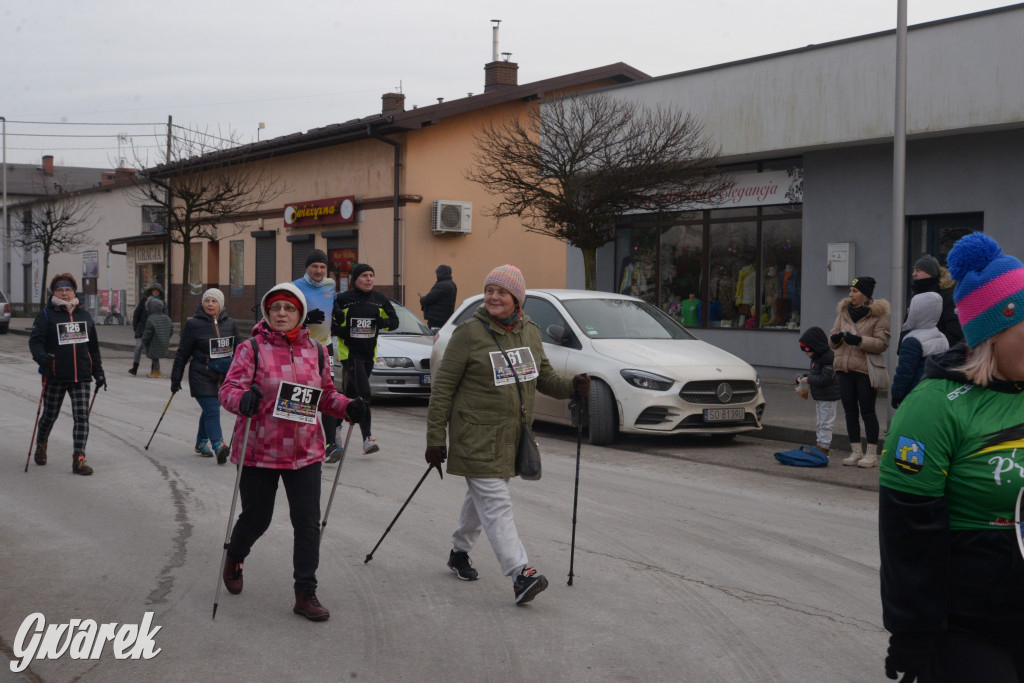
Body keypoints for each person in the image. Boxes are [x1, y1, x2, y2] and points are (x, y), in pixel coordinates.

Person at [879, 232, 1024, 681]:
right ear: (994, 331)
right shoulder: (935, 404)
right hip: (966, 625)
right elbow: (907, 534)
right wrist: (912, 634)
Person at [424, 264, 591, 605]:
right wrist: (435, 439)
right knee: (496, 502)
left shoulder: (529, 330)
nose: (494, 297)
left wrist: (572, 386)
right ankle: (520, 574)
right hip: (475, 435)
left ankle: (459, 552)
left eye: (502, 292)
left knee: (481, 498)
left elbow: (543, 377)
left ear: (517, 298)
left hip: (513, 436)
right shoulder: (469, 333)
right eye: (489, 291)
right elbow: (442, 389)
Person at [218, 282, 365, 622]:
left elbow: (326, 394)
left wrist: (348, 407)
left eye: (288, 309)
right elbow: (228, 390)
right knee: (257, 517)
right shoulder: (250, 349)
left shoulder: (316, 350)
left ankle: (305, 592)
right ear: (267, 314)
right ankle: (235, 556)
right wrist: (243, 400)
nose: (281, 314)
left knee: (307, 523)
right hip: (260, 449)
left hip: (305, 450)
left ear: (300, 314)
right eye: (275, 309)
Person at [28, 273, 105, 475]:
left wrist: (98, 371)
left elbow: (93, 348)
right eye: (60, 290)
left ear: (74, 292)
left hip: (81, 375)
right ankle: (42, 443)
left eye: (68, 289)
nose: (64, 293)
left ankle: (79, 459)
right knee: (49, 415)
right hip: (55, 374)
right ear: (54, 293)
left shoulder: (85, 316)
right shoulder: (46, 315)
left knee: (82, 417)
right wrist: (42, 357)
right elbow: (35, 341)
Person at [332, 263, 398, 454]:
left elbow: (394, 322)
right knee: (365, 393)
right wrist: (342, 331)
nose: (369, 279)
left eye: (371, 275)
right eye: (364, 276)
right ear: (355, 279)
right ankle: (367, 439)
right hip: (349, 354)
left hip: (368, 353)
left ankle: (335, 427)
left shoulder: (379, 299)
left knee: (349, 396)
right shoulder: (343, 299)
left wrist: (382, 322)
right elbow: (331, 323)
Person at [170, 288, 239, 464]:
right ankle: (218, 445)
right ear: (202, 303)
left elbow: (240, 351)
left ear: (221, 304)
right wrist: (175, 378)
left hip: (223, 376)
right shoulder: (193, 325)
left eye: (214, 301)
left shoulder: (230, 323)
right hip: (201, 374)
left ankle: (201, 442)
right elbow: (182, 353)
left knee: (210, 409)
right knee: (212, 409)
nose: (210, 304)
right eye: (207, 301)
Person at [828, 276, 891, 468]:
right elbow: (831, 338)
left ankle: (871, 454)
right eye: (850, 290)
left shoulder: (878, 316)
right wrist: (836, 338)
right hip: (843, 369)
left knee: (868, 412)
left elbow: (882, 343)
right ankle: (856, 451)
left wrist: (859, 341)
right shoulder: (844, 312)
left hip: (865, 371)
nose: (850, 294)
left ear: (864, 294)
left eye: (855, 291)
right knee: (849, 412)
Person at [292, 249, 343, 463]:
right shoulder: (294, 287)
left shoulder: (331, 285)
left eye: (322, 267)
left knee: (327, 391)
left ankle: (330, 444)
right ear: (307, 268)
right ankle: (297, 441)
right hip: (301, 347)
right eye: (315, 266)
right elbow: (284, 317)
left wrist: (339, 313)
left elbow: (334, 305)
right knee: (303, 393)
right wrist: (305, 319)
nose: (319, 270)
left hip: (325, 348)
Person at [890, 291, 949, 410]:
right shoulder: (942, 337)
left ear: (918, 312)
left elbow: (904, 373)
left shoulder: (912, 340)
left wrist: (896, 395)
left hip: (914, 395)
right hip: (935, 394)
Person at [796, 326, 840, 456]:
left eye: (807, 350)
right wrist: (804, 377)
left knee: (826, 422)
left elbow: (825, 378)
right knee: (821, 421)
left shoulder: (828, 357)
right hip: (821, 396)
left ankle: (824, 447)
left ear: (815, 347)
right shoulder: (817, 357)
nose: (806, 353)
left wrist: (808, 379)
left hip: (828, 396)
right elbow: (817, 374)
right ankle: (820, 444)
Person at [910, 253, 964, 347]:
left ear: (930, 273)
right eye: (914, 271)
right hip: (912, 353)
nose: (913, 274)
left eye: (918, 271)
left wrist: (929, 348)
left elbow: (954, 332)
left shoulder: (947, 297)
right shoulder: (915, 297)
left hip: (936, 357)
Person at [130, 282, 163, 375]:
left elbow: (165, 315)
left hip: (154, 330)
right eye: (154, 290)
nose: (156, 292)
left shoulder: (162, 303)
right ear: (151, 291)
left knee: (153, 350)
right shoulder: (144, 300)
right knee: (138, 347)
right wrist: (135, 327)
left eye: (158, 291)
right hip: (142, 329)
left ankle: (154, 369)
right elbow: (137, 313)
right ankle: (134, 367)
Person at [141, 297, 173, 378]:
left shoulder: (151, 319)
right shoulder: (167, 318)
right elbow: (171, 331)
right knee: (155, 357)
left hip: (154, 343)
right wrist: (166, 338)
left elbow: (147, 334)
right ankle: (156, 370)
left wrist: (144, 342)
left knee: (154, 357)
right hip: (164, 342)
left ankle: (156, 371)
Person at [419, 264, 457, 329]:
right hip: (446, 317)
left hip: (437, 319)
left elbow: (428, 299)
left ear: (440, 274)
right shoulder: (452, 284)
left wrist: (422, 299)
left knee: (434, 337)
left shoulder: (440, 285)